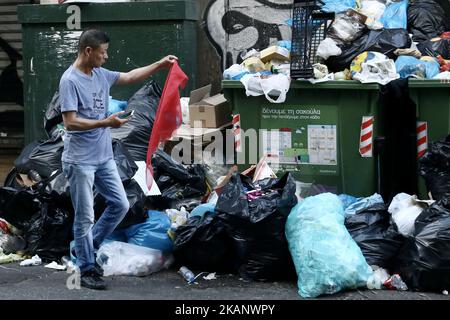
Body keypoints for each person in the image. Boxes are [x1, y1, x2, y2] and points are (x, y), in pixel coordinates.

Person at [59, 29, 177, 290]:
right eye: (103, 52)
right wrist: (106, 123)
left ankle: (88, 248)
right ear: (88, 51)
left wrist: (159, 64)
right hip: (80, 161)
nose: (106, 57)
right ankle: (86, 268)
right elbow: (70, 122)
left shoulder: (100, 74)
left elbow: (129, 76)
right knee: (84, 217)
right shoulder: (70, 80)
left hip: (103, 157)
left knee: (120, 204)